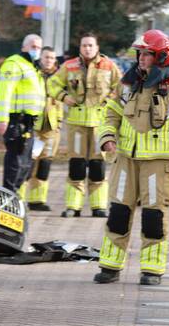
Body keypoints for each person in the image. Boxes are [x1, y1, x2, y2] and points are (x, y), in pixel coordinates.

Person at [93, 30, 169, 286]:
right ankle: (110, 267)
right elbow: (111, 113)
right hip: (125, 160)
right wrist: (107, 137)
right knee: (118, 213)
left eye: (147, 54)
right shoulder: (128, 81)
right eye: (140, 54)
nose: (141, 58)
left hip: (159, 162)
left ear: (162, 56)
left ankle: (152, 270)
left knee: (153, 217)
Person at [48, 32, 123, 218]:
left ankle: (99, 207)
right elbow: (52, 84)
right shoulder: (69, 66)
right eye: (84, 45)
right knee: (77, 166)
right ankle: (73, 207)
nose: (87, 48)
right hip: (77, 126)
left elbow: (121, 87)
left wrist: (110, 101)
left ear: (97, 47)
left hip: (100, 126)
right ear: (80, 47)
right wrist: (64, 97)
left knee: (98, 167)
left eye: (90, 45)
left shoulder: (109, 66)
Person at [0, 34, 44, 192]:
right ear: (24, 47)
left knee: (26, 164)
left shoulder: (32, 66)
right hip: (16, 120)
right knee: (15, 163)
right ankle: (9, 194)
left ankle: (14, 195)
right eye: (33, 46)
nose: (36, 50)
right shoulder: (14, 63)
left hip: (28, 122)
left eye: (39, 47)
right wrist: (3, 119)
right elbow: (4, 92)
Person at [22, 46, 64, 211]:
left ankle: (37, 201)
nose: (49, 60)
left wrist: (59, 122)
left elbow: (61, 101)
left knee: (44, 165)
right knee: (29, 163)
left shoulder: (59, 77)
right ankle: (19, 199)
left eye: (52, 58)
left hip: (51, 128)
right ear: (41, 58)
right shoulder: (32, 73)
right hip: (34, 126)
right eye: (46, 57)